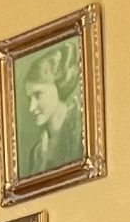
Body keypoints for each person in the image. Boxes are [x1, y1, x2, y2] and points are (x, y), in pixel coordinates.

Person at [18, 48, 84, 178]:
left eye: (38, 94)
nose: (31, 107)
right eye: (29, 98)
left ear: (58, 86)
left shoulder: (82, 136)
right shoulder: (37, 151)